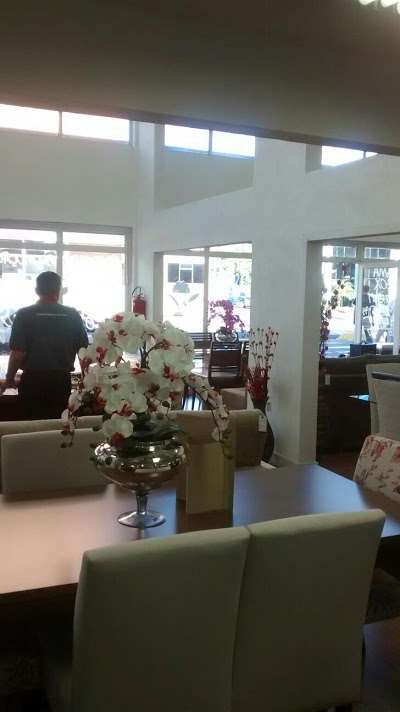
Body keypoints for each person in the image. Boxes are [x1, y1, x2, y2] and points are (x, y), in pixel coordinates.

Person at [0, 271, 88, 419]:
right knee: (57, 424)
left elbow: (18, 352)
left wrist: (9, 378)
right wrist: (86, 380)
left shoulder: (24, 315)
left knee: (32, 424)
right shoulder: (72, 315)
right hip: (61, 382)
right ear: (59, 290)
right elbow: (83, 352)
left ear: (37, 290)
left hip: (32, 381)